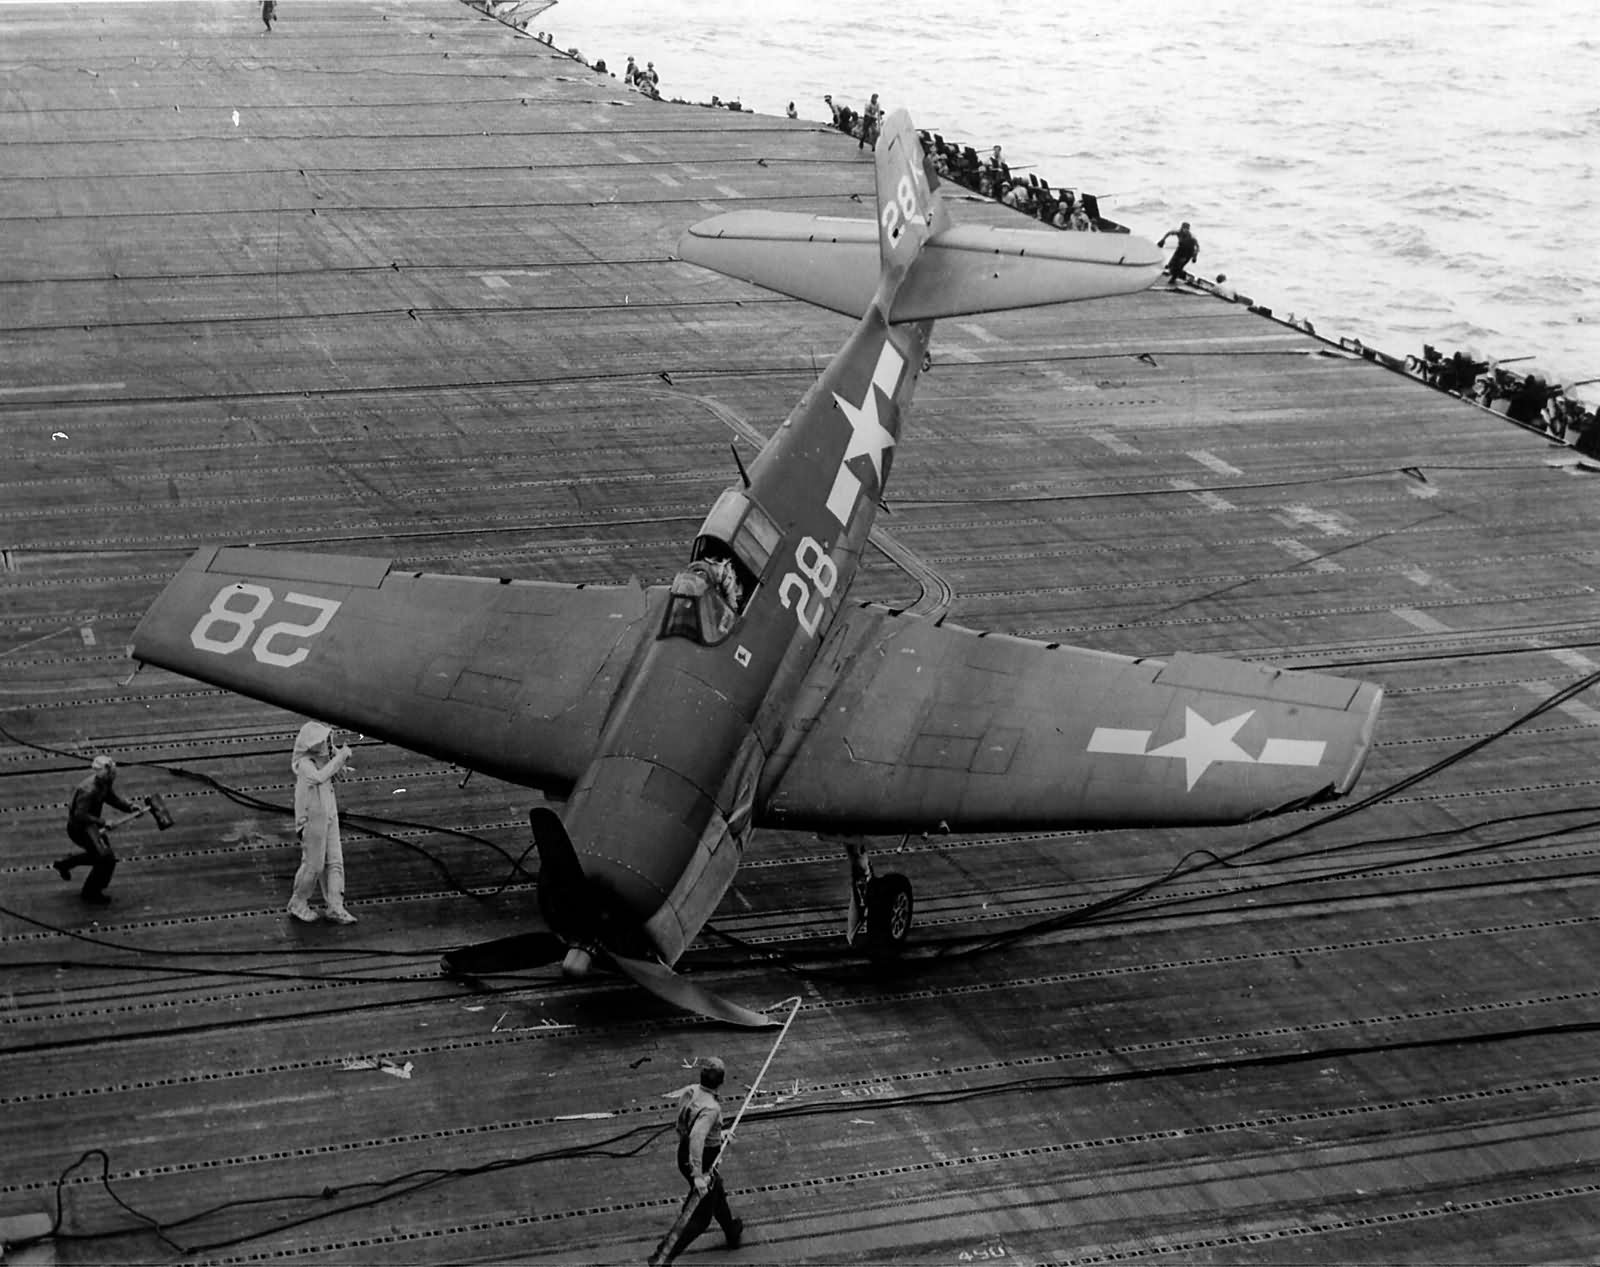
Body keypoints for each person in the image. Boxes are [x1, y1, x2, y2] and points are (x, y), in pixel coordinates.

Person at [660, 1057, 743, 1258]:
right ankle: (662, 1256)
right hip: (702, 1161)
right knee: (700, 1217)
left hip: (684, 1152)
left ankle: (731, 1232)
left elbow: (684, 1123)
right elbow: (698, 1136)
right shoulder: (712, 1109)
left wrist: (717, 1134)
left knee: (717, 1192)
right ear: (722, 1081)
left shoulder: (691, 1091)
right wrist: (698, 1174)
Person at [286, 721, 356, 924]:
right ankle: (298, 902)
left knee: (335, 861)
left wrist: (340, 764)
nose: (328, 743)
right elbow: (319, 777)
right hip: (312, 819)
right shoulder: (305, 765)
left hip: (329, 812)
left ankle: (335, 905)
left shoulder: (324, 759)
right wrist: (340, 758)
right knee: (314, 865)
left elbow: (331, 773)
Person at [54, 755, 138, 906]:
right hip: (81, 829)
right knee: (106, 859)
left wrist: (129, 807)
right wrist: (104, 822)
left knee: (98, 856)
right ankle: (90, 892)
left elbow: (111, 798)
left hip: (91, 827)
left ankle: (65, 863)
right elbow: (80, 815)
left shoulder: (103, 783)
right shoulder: (88, 790)